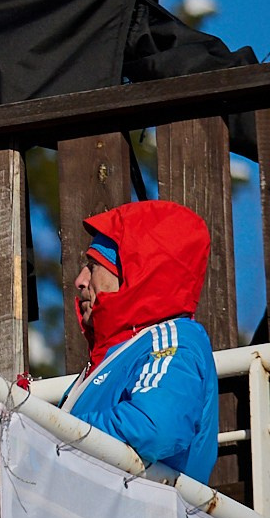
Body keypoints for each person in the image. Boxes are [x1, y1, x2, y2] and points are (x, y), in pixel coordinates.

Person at [62, 199, 219, 483]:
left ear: (135, 273)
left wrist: (53, 433)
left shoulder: (177, 339)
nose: (80, 281)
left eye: (93, 265)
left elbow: (156, 426)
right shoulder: (116, 356)